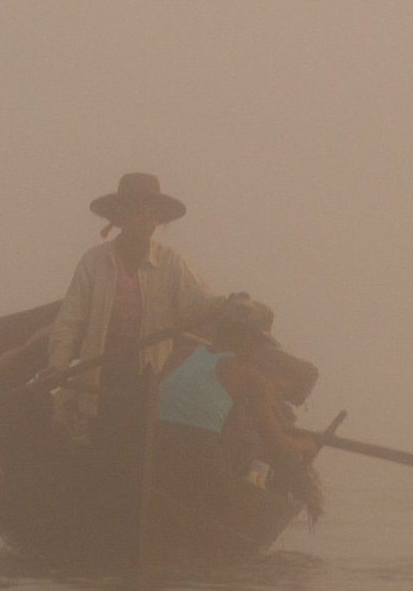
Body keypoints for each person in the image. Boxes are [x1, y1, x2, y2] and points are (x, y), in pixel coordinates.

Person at [46, 172, 219, 442]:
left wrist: (229, 303)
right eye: (138, 212)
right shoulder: (94, 262)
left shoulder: (171, 262)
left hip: (149, 376)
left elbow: (199, 304)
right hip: (100, 373)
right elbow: (70, 320)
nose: (146, 220)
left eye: (152, 214)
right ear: (120, 216)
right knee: (95, 444)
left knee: (141, 444)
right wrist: (58, 365)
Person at [156, 293, 326, 509]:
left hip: (156, 456)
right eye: (260, 343)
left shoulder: (178, 356)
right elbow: (279, 443)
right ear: (247, 339)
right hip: (197, 470)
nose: (259, 351)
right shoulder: (248, 376)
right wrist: (307, 445)